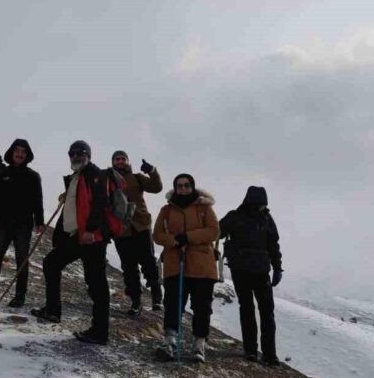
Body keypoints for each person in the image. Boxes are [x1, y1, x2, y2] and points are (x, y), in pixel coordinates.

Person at [31, 141, 111, 345]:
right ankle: (52, 311)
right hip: (75, 236)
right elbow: (75, 209)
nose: (75, 156)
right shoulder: (76, 177)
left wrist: (91, 230)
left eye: (80, 153)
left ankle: (100, 332)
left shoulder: (96, 174)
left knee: (96, 284)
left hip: (92, 238)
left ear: (88, 155)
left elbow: (101, 203)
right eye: (72, 153)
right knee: (51, 263)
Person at [152, 174, 218, 362]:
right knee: (173, 303)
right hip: (175, 262)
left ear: (192, 187)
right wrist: (174, 241)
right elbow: (157, 234)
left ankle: (199, 344)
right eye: (179, 186)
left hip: (202, 265)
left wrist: (187, 237)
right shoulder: (166, 210)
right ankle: (170, 341)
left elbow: (213, 231)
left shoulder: (205, 207)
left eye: (187, 185)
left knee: (202, 306)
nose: (183, 189)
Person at [0, 139, 44, 307]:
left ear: (27, 155)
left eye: (23, 152)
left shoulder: (33, 176)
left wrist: (39, 221)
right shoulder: (2, 173)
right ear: (12, 153)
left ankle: (20, 295)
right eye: (17, 151)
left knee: (22, 258)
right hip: (3, 223)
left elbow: (37, 201)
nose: (19, 154)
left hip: (24, 224)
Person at [219, 186, 283, 366]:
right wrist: (277, 268)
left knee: (249, 309)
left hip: (245, 270)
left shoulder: (236, 216)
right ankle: (267, 355)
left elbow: (216, 231)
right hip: (256, 270)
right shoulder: (265, 218)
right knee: (265, 311)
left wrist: (277, 267)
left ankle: (253, 351)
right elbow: (274, 245)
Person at [109, 150, 163, 315]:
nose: (120, 161)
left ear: (127, 161)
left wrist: (152, 171)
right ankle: (136, 302)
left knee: (148, 262)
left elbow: (156, 187)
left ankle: (157, 299)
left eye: (122, 159)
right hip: (120, 230)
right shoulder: (108, 180)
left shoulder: (137, 177)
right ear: (113, 162)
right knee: (129, 267)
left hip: (140, 225)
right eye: (117, 159)